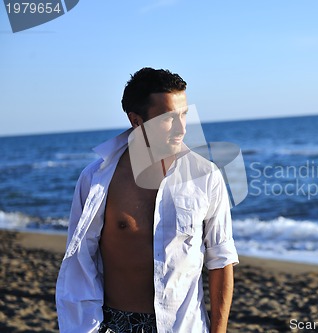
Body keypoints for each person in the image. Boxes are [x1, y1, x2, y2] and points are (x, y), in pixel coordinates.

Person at [56, 67, 239, 333]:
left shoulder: (205, 176)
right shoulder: (96, 180)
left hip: (183, 326)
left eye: (184, 114)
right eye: (168, 118)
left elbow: (221, 259)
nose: (182, 128)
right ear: (137, 120)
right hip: (116, 325)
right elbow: (81, 261)